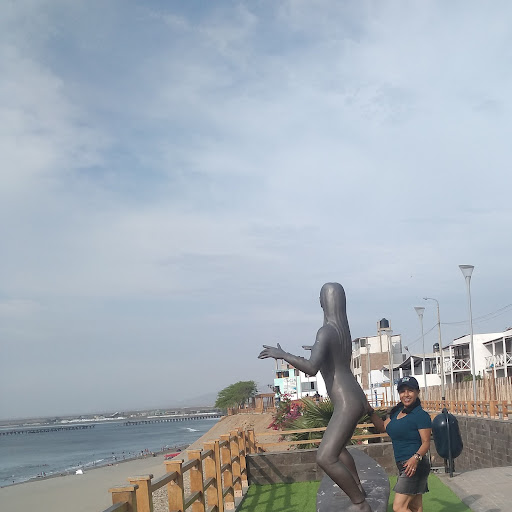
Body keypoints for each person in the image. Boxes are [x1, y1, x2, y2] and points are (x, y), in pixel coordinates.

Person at [259, 283, 371, 512]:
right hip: (355, 395)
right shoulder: (342, 330)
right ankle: (357, 487)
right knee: (338, 448)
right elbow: (333, 359)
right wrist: (315, 348)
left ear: (323, 302)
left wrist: (283, 354)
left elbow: (311, 368)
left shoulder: (326, 331)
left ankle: (360, 503)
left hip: (346, 401)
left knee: (325, 457)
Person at [368, 376, 432, 512]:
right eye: (402, 391)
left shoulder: (421, 415)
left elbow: (426, 443)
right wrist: (370, 412)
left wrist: (415, 458)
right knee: (415, 507)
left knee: (399, 507)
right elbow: (382, 427)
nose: (406, 394)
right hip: (403, 463)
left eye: (410, 390)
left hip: (414, 465)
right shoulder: (397, 412)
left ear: (417, 392)